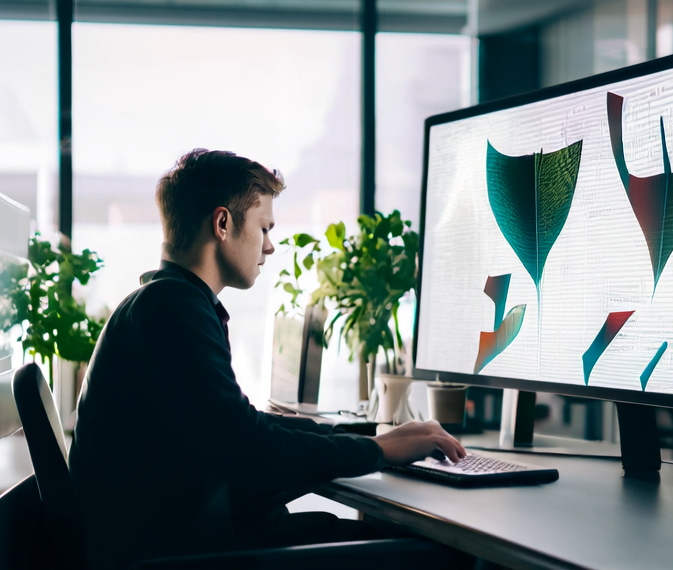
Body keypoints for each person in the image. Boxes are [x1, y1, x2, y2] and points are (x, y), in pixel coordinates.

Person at [68, 148, 466, 569]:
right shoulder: (173, 309)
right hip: (186, 552)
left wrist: (351, 437)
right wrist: (379, 450)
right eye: (264, 228)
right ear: (223, 224)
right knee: (442, 555)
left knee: (380, 535)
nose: (270, 246)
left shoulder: (163, 303)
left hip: (185, 537)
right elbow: (246, 448)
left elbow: (234, 428)